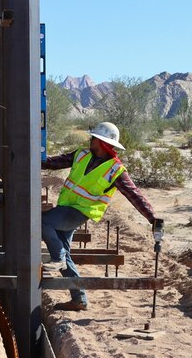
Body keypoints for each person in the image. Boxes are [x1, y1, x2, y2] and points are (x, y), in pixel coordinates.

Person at [41, 122, 163, 312]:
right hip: (65, 208)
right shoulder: (81, 155)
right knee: (66, 252)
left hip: (80, 212)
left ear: (103, 143)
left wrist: (152, 218)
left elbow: (134, 195)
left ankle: (58, 258)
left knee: (43, 222)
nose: (91, 140)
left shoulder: (116, 170)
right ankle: (79, 299)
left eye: (94, 138)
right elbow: (52, 163)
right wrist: (30, 154)